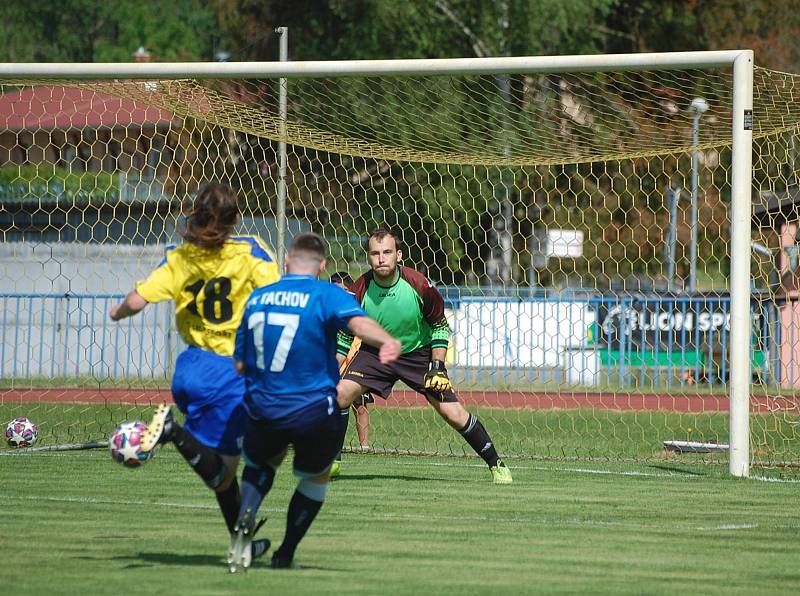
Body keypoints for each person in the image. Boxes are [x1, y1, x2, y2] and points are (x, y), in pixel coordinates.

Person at [109, 182, 279, 562]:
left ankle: (243, 547)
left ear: (193, 216)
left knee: (224, 476)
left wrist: (118, 312)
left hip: (189, 369)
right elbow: (276, 297)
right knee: (224, 472)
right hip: (231, 373)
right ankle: (173, 432)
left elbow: (137, 300)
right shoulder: (250, 252)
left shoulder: (179, 257)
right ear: (236, 219)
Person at [228, 232, 401, 572]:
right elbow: (358, 323)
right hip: (312, 408)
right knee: (315, 477)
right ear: (322, 266)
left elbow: (239, 363)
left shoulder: (258, 297)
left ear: (286, 262)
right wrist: (386, 340)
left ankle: (244, 522)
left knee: (261, 465)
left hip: (264, 405)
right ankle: (285, 553)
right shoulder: (325, 294)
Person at [337, 227, 513, 484]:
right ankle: (332, 460)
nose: (381, 258)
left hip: (417, 355)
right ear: (369, 258)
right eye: (375, 253)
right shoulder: (358, 290)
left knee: (453, 414)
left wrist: (438, 366)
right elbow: (344, 335)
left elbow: (440, 325)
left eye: (387, 252)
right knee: (339, 395)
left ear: (399, 255)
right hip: (374, 353)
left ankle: (497, 465)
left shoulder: (419, 284)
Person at [329, 271, 372, 479]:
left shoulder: (357, 306)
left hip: (353, 358)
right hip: (335, 357)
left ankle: (364, 445)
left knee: (360, 406)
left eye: (341, 289)